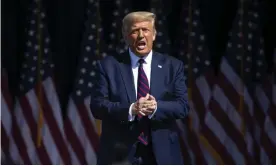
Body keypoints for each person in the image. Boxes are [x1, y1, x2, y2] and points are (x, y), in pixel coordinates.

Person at [90, 11, 190, 165]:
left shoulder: (172, 66)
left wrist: (156, 107)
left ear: (154, 35)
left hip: (162, 155)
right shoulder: (108, 66)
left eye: (146, 30)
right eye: (135, 31)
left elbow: (182, 106)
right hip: (119, 156)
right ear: (125, 36)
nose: (141, 35)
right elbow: (97, 106)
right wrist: (131, 109)